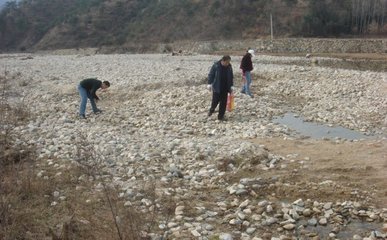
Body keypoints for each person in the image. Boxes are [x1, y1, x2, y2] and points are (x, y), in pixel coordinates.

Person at [207, 55, 234, 121]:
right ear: (223, 61)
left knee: (223, 103)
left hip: (225, 87)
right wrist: (209, 83)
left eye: (229, 62)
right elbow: (211, 74)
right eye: (227, 62)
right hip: (217, 86)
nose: (228, 64)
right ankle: (211, 110)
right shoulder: (216, 66)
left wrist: (231, 86)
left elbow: (231, 76)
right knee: (215, 101)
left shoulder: (229, 67)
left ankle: (220, 116)